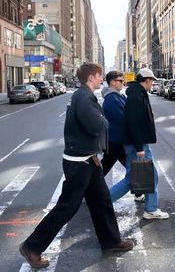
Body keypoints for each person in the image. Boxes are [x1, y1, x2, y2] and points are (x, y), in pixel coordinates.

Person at [19, 63, 134, 269]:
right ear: (91, 77)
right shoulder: (83, 97)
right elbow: (96, 125)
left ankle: (111, 241)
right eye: (99, 76)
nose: (101, 80)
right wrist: (105, 120)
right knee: (67, 207)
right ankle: (32, 247)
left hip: (88, 159)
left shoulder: (86, 96)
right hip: (79, 164)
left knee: (102, 201)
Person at [109, 68, 169, 220]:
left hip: (136, 143)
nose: (152, 84)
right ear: (146, 80)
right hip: (137, 144)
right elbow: (133, 123)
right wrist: (139, 147)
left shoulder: (137, 94)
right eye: (152, 81)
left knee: (137, 178)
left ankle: (150, 209)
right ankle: (150, 209)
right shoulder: (137, 96)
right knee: (144, 177)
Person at [101, 70, 143, 202]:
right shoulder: (112, 99)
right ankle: (138, 193)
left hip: (116, 140)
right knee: (134, 169)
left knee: (104, 169)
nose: (122, 83)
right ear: (112, 82)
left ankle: (138, 193)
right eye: (120, 80)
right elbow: (124, 118)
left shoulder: (117, 96)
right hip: (117, 141)